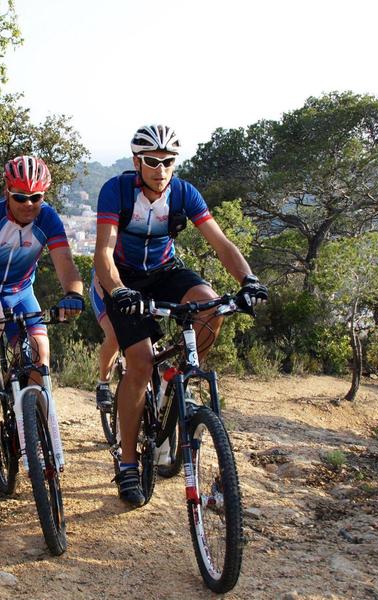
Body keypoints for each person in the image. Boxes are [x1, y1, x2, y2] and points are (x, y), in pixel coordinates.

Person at [93, 124, 268, 507]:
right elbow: (104, 252)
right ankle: (127, 462)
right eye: (152, 161)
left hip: (166, 271)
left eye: (168, 161)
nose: (161, 169)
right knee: (140, 362)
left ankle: (176, 377)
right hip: (123, 278)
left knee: (210, 305)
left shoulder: (184, 193)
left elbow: (221, 243)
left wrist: (249, 280)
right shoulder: (116, 191)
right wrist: (119, 290)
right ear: (137, 162)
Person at [0, 155, 84, 424]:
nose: (28, 204)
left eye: (36, 197)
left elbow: (66, 265)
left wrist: (73, 294)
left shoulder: (48, 219)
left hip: (21, 292)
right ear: (7, 191)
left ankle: (36, 431)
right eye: (20, 197)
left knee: (39, 358)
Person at [90, 270, 118, 412]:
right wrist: (109, 302)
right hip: (102, 289)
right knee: (115, 336)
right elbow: (99, 275)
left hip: (136, 289)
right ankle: (103, 383)